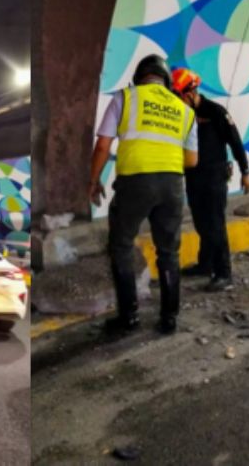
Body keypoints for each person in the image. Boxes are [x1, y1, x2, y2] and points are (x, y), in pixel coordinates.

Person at [89, 54, 198, 334]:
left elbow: (103, 145)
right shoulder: (185, 110)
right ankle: (169, 318)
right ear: (167, 81)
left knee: (122, 245)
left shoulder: (125, 98)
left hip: (135, 182)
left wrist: (94, 180)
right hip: (173, 185)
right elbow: (192, 161)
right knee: (169, 251)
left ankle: (129, 318)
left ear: (140, 77)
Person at [169, 68, 249, 292]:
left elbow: (235, 141)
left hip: (214, 177)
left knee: (215, 224)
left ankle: (224, 273)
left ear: (189, 93)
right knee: (201, 222)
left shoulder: (215, 112)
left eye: (177, 96)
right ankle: (205, 264)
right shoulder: (181, 115)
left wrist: (245, 172)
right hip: (194, 177)